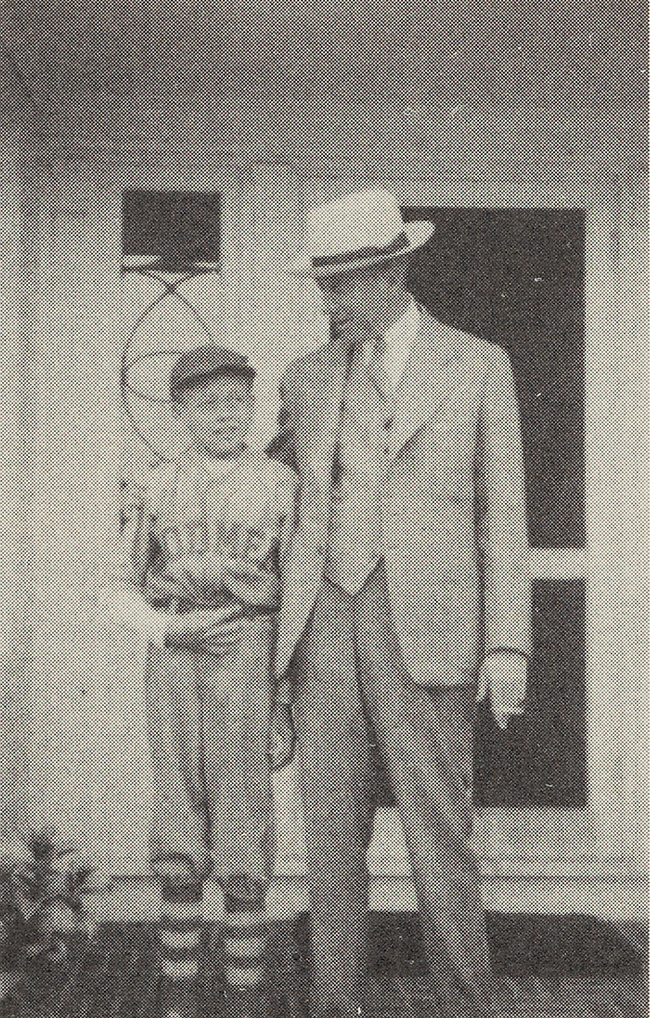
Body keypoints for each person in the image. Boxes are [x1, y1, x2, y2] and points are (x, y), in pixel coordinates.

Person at [268, 189, 532, 1018]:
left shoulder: (478, 365)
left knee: (439, 834)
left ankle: (464, 1005)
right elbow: (285, 500)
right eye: (322, 286)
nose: (329, 301)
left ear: (392, 272)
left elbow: (504, 516)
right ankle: (334, 1005)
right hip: (323, 625)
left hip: (430, 624)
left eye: (341, 285)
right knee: (330, 842)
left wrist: (508, 644)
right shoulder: (305, 378)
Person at [104, 345, 298, 1018]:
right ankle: (177, 996)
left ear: (253, 406)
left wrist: (282, 700)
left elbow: (296, 598)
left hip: (248, 646)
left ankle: (244, 999)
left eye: (237, 401)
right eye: (208, 403)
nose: (225, 415)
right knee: (179, 816)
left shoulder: (278, 484)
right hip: (178, 648)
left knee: (244, 821)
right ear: (181, 411)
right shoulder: (154, 483)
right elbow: (113, 590)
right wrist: (168, 630)